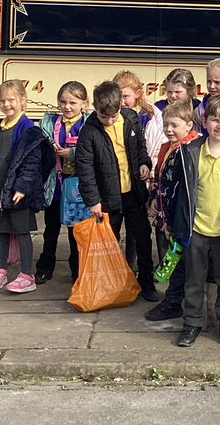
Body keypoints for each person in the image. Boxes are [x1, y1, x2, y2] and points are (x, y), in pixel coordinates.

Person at [162, 93, 220, 348]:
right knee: (193, 279)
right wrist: (171, 222)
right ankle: (192, 322)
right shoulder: (189, 152)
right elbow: (175, 189)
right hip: (195, 228)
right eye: (214, 120)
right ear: (204, 121)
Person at [75, 80, 157, 302]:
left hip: (134, 194)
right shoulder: (89, 132)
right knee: (107, 245)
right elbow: (85, 170)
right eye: (104, 117)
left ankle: (147, 283)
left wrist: (145, 164)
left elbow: (141, 148)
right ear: (95, 108)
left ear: (121, 105)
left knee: (142, 239)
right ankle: (107, 286)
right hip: (107, 198)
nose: (110, 121)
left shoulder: (130, 119)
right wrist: (93, 201)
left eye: (114, 116)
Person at [0, 79, 51, 294]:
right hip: (0, 186)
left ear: (23, 100)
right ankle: (0, 267)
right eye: (2, 101)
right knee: (1, 229)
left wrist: (22, 187)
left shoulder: (28, 129)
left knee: (22, 231)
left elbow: (31, 162)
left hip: (18, 189)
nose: (6, 105)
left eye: (11, 100)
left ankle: (26, 273)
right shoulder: (0, 127)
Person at [144, 100, 201, 322]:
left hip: (182, 218)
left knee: (181, 261)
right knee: (174, 257)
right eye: (166, 125)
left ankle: (175, 301)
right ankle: (175, 298)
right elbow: (161, 178)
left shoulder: (190, 149)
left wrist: (173, 222)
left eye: (174, 125)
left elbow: (184, 190)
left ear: (189, 126)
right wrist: (154, 198)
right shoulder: (167, 147)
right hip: (165, 212)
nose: (169, 130)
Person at [36, 81, 87, 284]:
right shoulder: (50, 123)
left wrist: (71, 153)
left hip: (77, 189)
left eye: (72, 103)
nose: (67, 107)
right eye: (63, 102)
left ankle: (78, 269)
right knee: (50, 230)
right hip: (55, 186)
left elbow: (93, 150)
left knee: (76, 233)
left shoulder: (88, 124)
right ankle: (45, 267)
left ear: (84, 103)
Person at [115, 70, 166, 165]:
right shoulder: (112, 116)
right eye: (118, 97)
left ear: (137, 93)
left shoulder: (149, 117)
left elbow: (157, 147)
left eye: (125, 96)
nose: (122, 102)